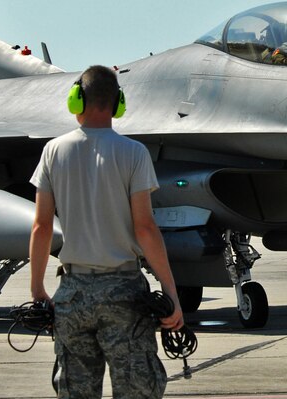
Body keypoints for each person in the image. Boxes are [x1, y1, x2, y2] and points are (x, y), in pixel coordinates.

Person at [29, 65, 183, 399]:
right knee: (137, 390)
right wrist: (170, 292)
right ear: (118, 104)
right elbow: (144, 228)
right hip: (124, 294)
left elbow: (41, 227)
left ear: (77, 100)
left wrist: (38, 288)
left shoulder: (53, 152)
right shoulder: (134, 153)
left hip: (73, 294)